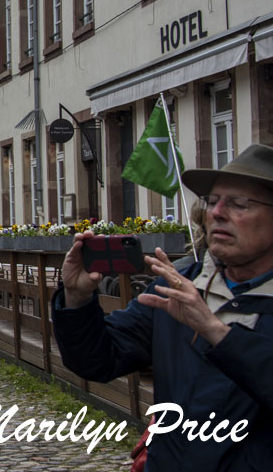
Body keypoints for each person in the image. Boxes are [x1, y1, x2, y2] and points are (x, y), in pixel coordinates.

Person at [52, 143, 273, 471]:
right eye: (212, 201)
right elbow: (98, 360)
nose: (217, 213)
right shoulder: (178, 283)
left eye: (239, 204)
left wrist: (216, 332)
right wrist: (77, 299)